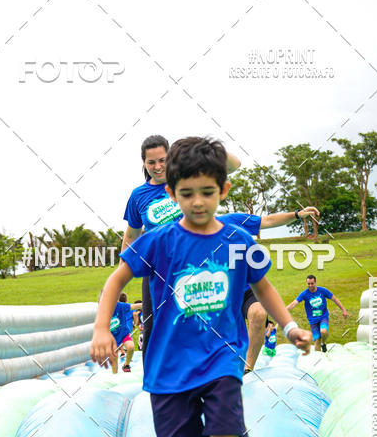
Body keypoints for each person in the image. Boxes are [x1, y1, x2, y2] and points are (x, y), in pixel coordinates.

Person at [92, 137, 312, 437]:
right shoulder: (159, 242)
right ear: (172, 194)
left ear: (223, 191)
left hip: (221, 355)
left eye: (207, 192)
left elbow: (263, 287)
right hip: (170, 361)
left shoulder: (238, 239)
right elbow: (116, 279)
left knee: (225, 429)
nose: (197, 202)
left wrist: (288, 326)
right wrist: (102, 328)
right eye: (187, 193)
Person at [121, 134, 319, 371]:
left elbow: (234, 165)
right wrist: (125, 270)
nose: (157, 166)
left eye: (163, 160)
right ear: (143, 163)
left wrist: (204, 146)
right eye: (151, 162)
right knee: (154, 327)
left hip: (195, 264)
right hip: (158, 269)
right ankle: (154, 381)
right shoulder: (139, 196)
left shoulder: (187, 178)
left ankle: (223, 369)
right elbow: (131, 236)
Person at [286, 274, 348, 352]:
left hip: (323, 317)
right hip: (313, 320)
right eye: (308, 284)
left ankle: (323, 343)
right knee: (317, 341)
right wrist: (283, 310)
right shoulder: (304, 294)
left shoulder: (323, 290)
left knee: (323, 331)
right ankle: (318, 358)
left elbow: (334, 299)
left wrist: (343, 310)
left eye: (312, 283)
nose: (310, 285)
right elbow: (293, 304)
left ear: (315, 282)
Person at [108, 292, 141, 373]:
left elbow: (133, 306)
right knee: (114, 357)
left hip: (124, 334)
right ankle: (115, 374)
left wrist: (146, 304)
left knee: (131, 347)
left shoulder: (120, 305)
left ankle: (126, 364)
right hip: (112, 337)